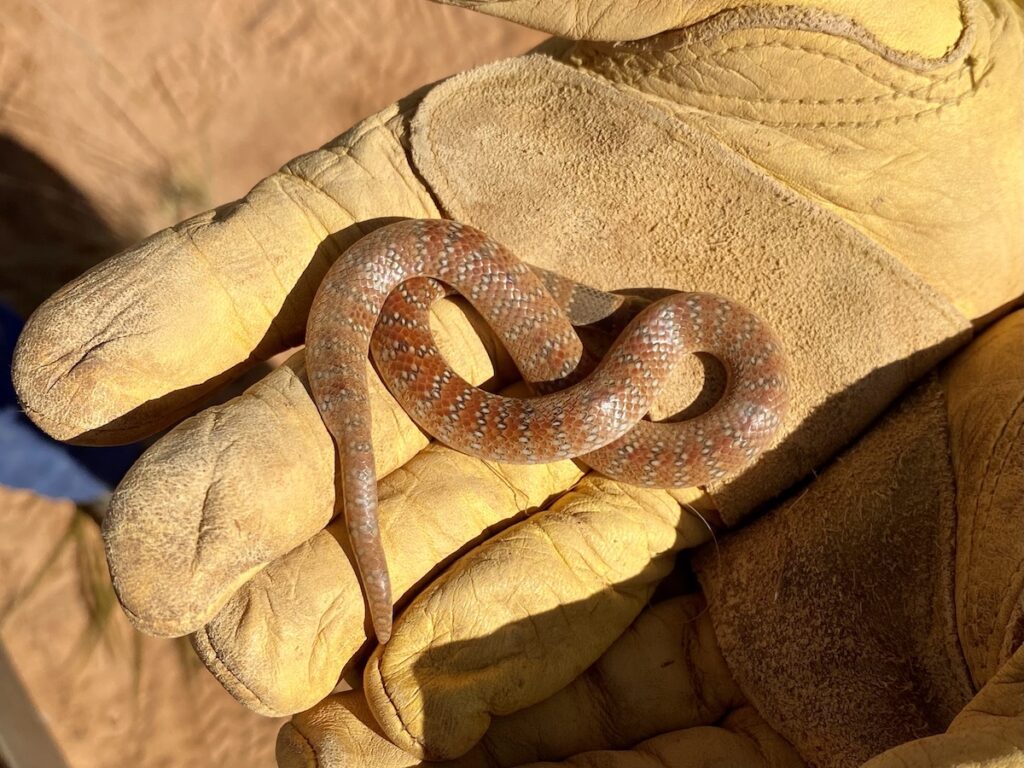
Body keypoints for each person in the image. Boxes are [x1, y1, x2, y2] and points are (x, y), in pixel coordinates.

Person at [11, 1, 1024, 766]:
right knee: (227, 452)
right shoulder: (635, 350)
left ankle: (131, 473)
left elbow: (595, 363)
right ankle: (135, 472)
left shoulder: (659, 351)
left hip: (591, 372)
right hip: (556, 357)